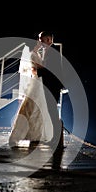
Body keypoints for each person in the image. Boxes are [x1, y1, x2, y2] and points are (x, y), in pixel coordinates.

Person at [8, 44, 53, 147]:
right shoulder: (32, 54)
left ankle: (36, 135)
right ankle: (26, 134)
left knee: (39, 107)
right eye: (38, 43)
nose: (40, 44)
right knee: (33, 107)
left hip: (39, 81)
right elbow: (37, 68)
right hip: (37, 81)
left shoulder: (36, 54)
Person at [34, 31, 65, 161]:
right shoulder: (49, 51)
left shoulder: (52, 52)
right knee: (51, 111)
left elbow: (44, 67)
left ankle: (57, 140)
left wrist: (35, 55)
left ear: (48, 39)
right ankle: (55, 138)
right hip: (50, 85)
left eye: (41, 39)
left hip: (52, 86)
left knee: (52, 111)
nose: (39, 41)